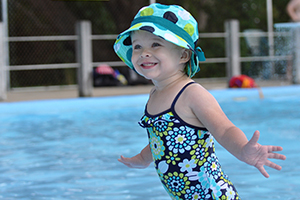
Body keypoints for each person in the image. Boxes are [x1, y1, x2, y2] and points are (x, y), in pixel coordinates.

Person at [114, 3, 286, 199]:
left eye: (156, 44)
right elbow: (161, 140)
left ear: (184, 55)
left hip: (212, 195)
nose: (144, 52)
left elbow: (224, 129)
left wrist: (243, 150)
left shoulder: (191, 93)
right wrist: (143, 159)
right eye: (137, 46)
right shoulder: (155, 94)